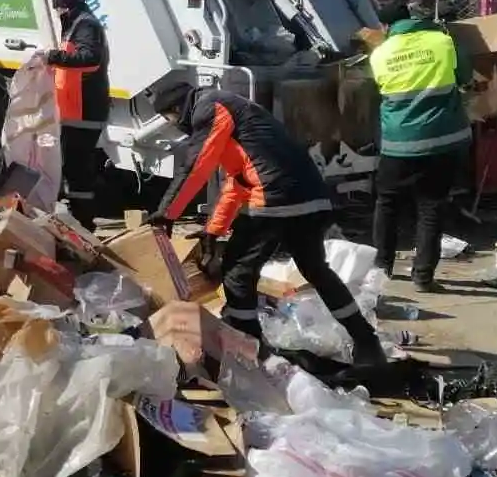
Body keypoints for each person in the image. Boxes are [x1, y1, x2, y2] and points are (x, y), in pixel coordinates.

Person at [147, 84, 388, 368]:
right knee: (316, 270)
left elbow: (196, 166)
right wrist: (213, 229)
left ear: (176, 109)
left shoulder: (210, 108)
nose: (172, 125)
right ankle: (367, 343)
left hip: (275, 197)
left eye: (168, 118)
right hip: (311, 196)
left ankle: (250, 352)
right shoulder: (237, 112)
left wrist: (166, 214)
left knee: (237, 273)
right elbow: (239, 181)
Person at [367, 1, 472, 292]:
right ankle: (423, 276)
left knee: (387, 203)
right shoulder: (442, 41)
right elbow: (465, 77)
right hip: (442, 142)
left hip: (398, 144)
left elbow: (382, 89)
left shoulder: (380, 55)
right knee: (431, 207)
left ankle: (382, 268)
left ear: (386, 27)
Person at [43, 0, 110, 226]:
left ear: (67, 7)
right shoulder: (78, 24)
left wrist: (55, 57)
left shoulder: (86, 25)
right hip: (75, 109)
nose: (58, 14)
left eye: (59, 9)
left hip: (85, 109)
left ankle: (83, 221)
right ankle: (77, 215)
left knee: (78, 168)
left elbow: (90, 58)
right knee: (72, 165)